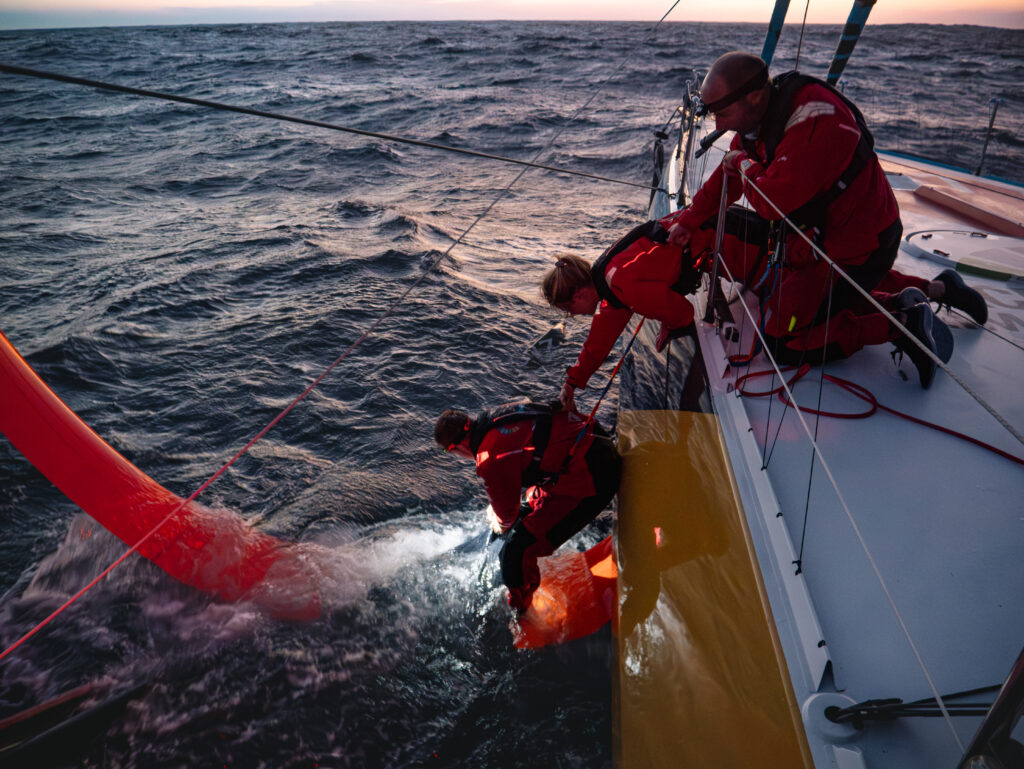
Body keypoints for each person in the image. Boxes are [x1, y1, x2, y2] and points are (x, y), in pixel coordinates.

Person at [662, 51, 987, 388]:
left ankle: (903, 323)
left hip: (864, 243)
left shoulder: (817, 123)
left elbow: (771, 201)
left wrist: (743, 161)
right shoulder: (761, 120)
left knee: (782, 340)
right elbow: (727, 178)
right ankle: (941, 289)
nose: (719, 126)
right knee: (808, 293)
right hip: (820, 240)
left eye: (723, 113)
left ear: (755, 96)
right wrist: (688, 221)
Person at [435, 400, 620, 613]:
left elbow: (506, 520)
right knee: (525, 507)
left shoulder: (488, 458)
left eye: (448, 452)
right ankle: (523, 577)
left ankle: (524, 609)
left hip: (595, 476)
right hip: (593, 443)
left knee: (515, 551)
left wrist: (498, 520)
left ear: (455, 447)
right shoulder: (499, 414)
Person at [541, 219, 700, 410]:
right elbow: (596, 345)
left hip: (730, 246)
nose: (571, 316)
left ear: (579, 295)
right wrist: (571, 383)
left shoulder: (620, 285)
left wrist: (671, 326)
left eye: (568, 311)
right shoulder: (608, 284)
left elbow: (683, 313)